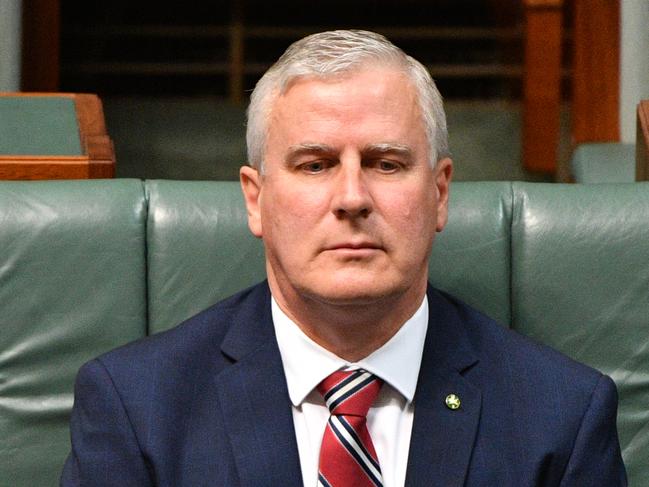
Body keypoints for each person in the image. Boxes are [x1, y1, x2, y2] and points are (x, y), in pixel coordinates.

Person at [61, 30, 626, 486]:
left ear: (439, 193)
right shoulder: (137, 409)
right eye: (315, 164)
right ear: (255, 200)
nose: (352, 198)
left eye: (386, 164)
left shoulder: (562, 418)